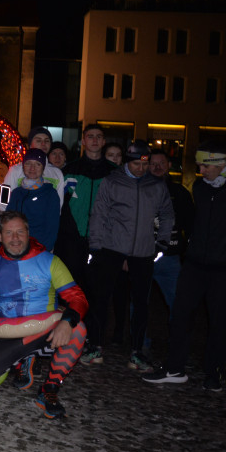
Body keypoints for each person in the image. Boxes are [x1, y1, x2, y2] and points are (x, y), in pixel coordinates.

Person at [144, 141, 226, 391]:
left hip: (225, 267)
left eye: (203, 165)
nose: (199, 170)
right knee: (180, 315)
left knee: (219, 321)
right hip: (195, 263)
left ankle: (214, 373)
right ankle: (175, 369)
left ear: (219, 163)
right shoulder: (199, 187)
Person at [0, 211, 89, 419]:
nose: (15, 238)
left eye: (20, 232)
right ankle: (20, 361)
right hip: (8, 337)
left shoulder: (50, 261)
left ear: (28, 233)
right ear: (0, 237)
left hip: (45, 332)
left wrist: (67, 322)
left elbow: (78, 298)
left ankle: (49, 389)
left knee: (77, 328)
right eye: (9, 233)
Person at [87, 140, 173, 373]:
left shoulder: (156, 185)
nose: (141, 168)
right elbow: (99, 215)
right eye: (136, 164)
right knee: (101, 299)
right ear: (127, 162)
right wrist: (95, 246)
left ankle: (137, 352)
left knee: (142, 304)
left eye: (144, 164)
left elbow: (167, 213)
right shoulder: (112, 181)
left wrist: (162, 242)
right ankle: (95, 346)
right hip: (112, 248)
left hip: (143, 251)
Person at [58, 124, 116, 362]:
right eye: (90, 137)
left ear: (103, 142)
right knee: (69, 292)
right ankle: (66, 338)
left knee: (97, 294)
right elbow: (61, 206)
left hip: (101, 244)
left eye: (98, 137)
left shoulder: (114, 173)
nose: (94, 140)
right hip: (72, 242)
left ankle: (95, 344)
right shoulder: (69, 170)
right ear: (83, 141)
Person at [147, 148, 194, 326]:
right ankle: (140, 345)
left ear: (168, 166)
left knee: (178, 304)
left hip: (171, 259)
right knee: (138, 303)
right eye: (153, 164)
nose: (157, 167)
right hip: (143, 256)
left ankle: (178, 344)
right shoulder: (139, 189)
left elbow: (190, 224)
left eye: (161, 163)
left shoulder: (180, 192)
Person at [7, 149, 60, 251]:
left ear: (43, 168)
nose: (32, 168)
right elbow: (8, 222)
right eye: (28, 163)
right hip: (15, 248)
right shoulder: (16, 193)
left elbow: (52, 229)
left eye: (37, 164)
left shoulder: (50, 194)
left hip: (39, 249)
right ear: (23, 166)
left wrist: (42, 251)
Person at [3, 126, 65, 208]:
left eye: (47, 141)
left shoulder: (56, 173)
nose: (43, 144)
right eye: (38, 140)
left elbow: (58, 205)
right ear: (30, 144)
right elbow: (4, 202)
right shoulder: (15, 170)